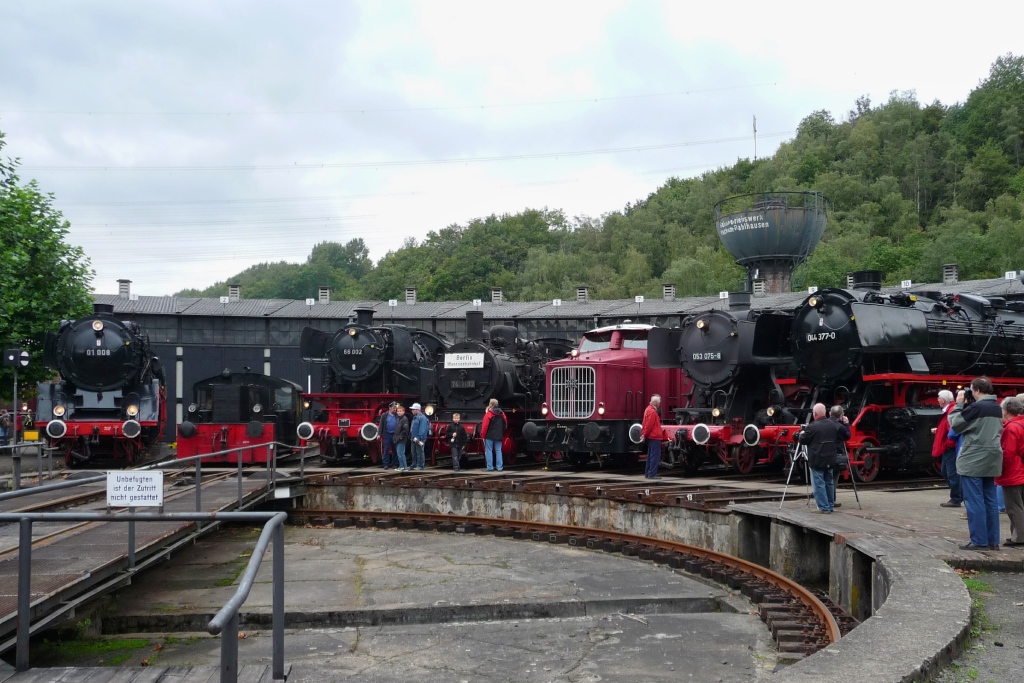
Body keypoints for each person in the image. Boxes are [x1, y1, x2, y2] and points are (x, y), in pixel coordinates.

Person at [948, 377, 1003, 551]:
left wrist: (958, 404)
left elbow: (955, 424)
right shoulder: (996, 407)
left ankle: (979, 540)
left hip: (974, 457)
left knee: (974, 500)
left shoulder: (977, 407)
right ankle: (993, 540)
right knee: (990, 499)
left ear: (977, 390)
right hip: (992, 456)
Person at [797, 403, 845, 513]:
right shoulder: (833, 425)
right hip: (831, 458)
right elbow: (843, 435)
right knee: (829, 482)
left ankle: (824, 507)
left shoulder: (812, 426)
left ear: (814, 414)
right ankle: (830, 505)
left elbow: (803, 440)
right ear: (825, 413)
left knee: (819, 484)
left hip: (817, 459)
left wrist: (802, 433)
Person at [997, 396, 1024, 547]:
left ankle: (1019, 537)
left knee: (1014, 507)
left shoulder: (1011, 428)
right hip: (1021, 469)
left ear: (1006, 411)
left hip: (1013, 471)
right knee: (1020, 505)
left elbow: (1007, 453)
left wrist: (999, 469)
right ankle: (1016, 534)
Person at [932, 390, 962, 507]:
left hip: (950, 448)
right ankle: (958, 495)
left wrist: (949, 444)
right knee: (945, 472)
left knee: (951, 473)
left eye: (938, 398)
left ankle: (956, 498)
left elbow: (953, 430)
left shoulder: (951, 412)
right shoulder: (949, 411)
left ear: (943, 400)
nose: (937, 400)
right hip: (948, 447)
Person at [828, 405, 852, 509]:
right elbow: (847, 436)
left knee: (823, 478)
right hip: (835, 455)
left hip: (823, 454)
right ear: (841, 415)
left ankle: (824, 500)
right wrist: (846, 424)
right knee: (833, 478)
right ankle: (831, 501)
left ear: (830, 413)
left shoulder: (824, 423)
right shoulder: (840, 426)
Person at [641, 395, 664, 479]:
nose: (660, 404)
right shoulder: (653, 412)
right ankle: (652, 474)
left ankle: (648, 473)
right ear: (657, 403)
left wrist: (644, 434)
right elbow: (649, 425)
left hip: (651, 436)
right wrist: (644, 434)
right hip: (654, 436)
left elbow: (644, 424)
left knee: (650, 455)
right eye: (659, 402)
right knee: (655, 456)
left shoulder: (647, 409)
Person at [480, 399, 507, 472]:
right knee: (498, 451)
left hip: (489, 435)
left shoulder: (489, 414)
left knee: (488, 450)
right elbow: (505, 425)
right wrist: (501, 432)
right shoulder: (502, 414)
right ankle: (499, 467)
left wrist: (483, 435)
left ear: (490, 405)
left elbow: (485, 426)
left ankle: (490, 467)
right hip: (499, 435)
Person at [409, 403, 430, 470]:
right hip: (413, 438)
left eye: (413, 409)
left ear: (417, 410)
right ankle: (414, 464)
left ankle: (420, 465)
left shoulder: (422, 418)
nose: (412, 411)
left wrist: (419, 437)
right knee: (413, 452)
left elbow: (422, 429)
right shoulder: (415, 417)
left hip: (419, 438)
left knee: (419, 452)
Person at [378, 402, 398, 469]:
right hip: (387, 434)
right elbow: (381, 425)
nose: (395, 409)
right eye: (393, 407)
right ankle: (385, 464)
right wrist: (379, 434)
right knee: (386, 449)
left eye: (395, 407)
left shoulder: (397, 415)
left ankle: (394, 464)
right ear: (389, 408)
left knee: (395, 450)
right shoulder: (384, 415)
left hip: (395, 434)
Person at [393, 405, 410, 471]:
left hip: (401, 439)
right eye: (398, 411)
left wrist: (400, 437)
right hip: (397, 438)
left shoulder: (404, 419)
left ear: (403, 412)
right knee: (399, 453)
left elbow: (405, 430)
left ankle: (403, 466)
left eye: (400, 411)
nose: (399, 412)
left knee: (400, 453)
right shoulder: (398, 419)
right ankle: (402, 466)